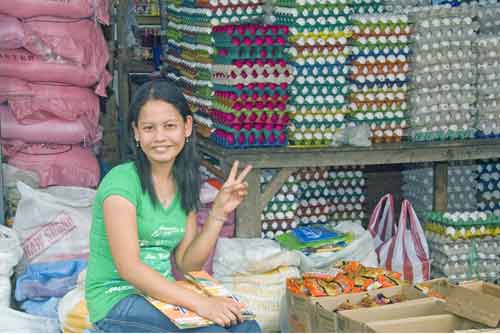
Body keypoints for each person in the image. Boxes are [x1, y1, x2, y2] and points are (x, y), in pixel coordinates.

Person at [85, 80, 260, 333]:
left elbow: (187, 263)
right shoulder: (121, 183)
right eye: (148, 128)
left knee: (246, 327)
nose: (159, 138)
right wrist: (202, 304)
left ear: (187, 127)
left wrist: (218, 213)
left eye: (169, 126)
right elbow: (130, 268)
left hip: (161, 296)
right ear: (135, 132)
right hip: (117, 298)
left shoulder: (183, 182)